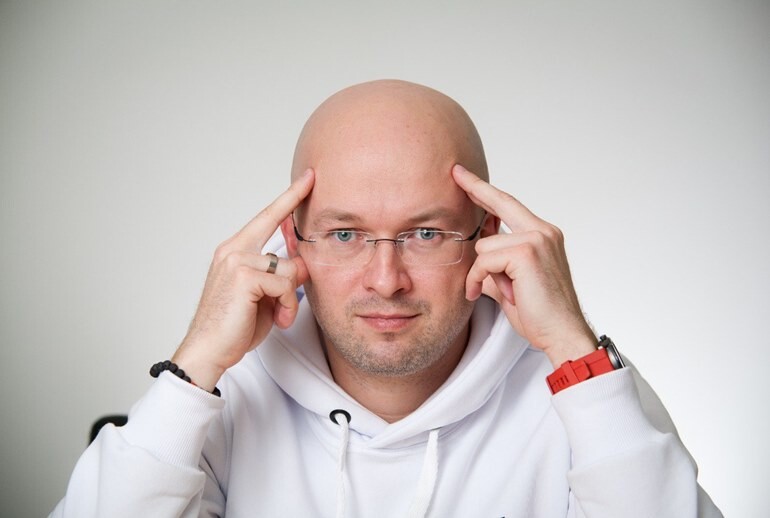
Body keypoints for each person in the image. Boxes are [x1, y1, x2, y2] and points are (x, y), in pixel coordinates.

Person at [51, 80, 722, 517]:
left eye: (425, 233)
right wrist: (194, 365)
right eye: (345, 234)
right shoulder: (226, 389)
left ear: (488, 235)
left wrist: (576, 351)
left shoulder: (580, 384)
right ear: (293, 238)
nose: (385, 280)